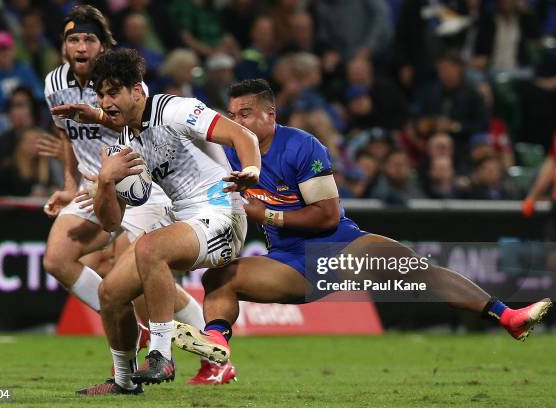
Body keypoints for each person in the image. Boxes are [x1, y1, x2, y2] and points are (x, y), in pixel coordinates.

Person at [170, 79, 552, 365]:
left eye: (246, 113)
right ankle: (217, 348)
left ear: (271, 114)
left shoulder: (303, 146)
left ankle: (508, 316)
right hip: (287, 263)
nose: (237, 121)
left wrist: (266, 214)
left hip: (339, 247)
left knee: (417, 270)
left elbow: (327, 216)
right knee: (217, 279)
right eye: (233, 115)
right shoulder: (228, 154)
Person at [55, 48, 260, 394]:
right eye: (101, 94)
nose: (106, 102)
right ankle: (123, 382)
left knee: (150, 247)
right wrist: (105, 181)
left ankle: (161, 354)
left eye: (113, 91)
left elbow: (244, 136)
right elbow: (110, 221)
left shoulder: (176, 109)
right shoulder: (125, 145)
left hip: (223, 215)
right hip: (185, 219)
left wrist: (252, 168)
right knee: (111, 293)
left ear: (137, 91)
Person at [40, 5, 222, 387]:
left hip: (139, 186)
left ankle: (212, 351)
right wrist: (70, 184)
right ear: (63, 48)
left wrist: (98, 118)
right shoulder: (53, 82)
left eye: (89, 38)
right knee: (57, 258)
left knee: (136, 279)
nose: (81, 46)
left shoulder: (123, 80)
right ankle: (134, 334)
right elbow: (67, 135)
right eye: (74, 39)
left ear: (103, 46)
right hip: (95, 188)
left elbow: (139, 129)